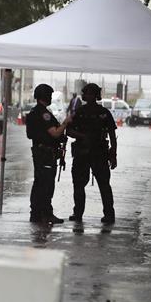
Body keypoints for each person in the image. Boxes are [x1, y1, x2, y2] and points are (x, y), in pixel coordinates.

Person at [67, 83, 117, 224]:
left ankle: (109, 214)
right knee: (78, 184)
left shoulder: (104, 113)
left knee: (104, 185)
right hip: (82, 153)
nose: (89, 96)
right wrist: (82, 136)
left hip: (99, 153)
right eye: (87, 93)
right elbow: (69, 131)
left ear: (96, 96)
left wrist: (113, 154)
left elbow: (112, 135)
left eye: (91, 93)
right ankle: (78, 213)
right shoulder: (79, 112)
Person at [25, 83, 72, 224]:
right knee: (46, 185)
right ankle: (45, 214)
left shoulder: (35, 112)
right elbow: (55, 133)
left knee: (39, 183)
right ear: (44, 96)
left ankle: (36, 214)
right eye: (50, 95)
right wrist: (65, 123)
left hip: (40, 152)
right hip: (45, 154)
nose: (51, 97)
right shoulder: (43, 113)